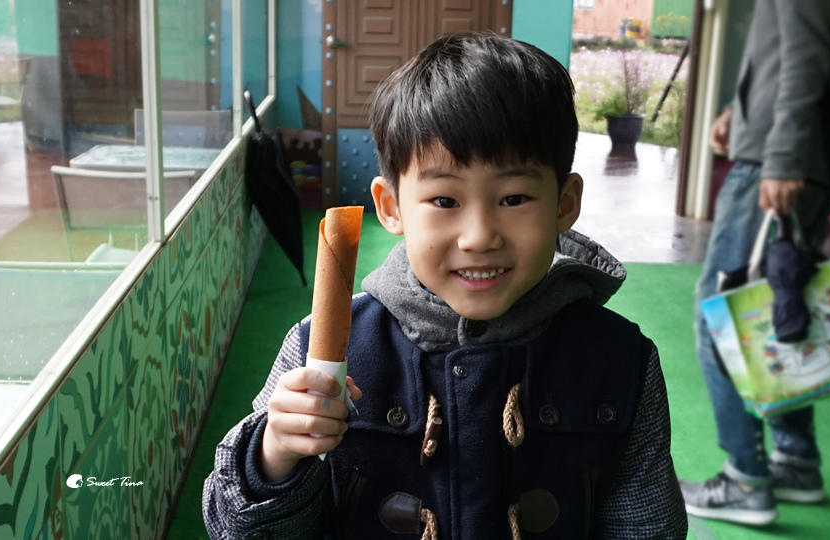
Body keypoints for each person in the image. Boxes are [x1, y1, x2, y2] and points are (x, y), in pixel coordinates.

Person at [203, 32, 687, 539]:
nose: (478, 237)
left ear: (564, 204)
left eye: (514, 198)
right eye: (444, 201)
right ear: (391, 207)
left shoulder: (621, 361)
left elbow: (648, 528)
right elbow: (232, 528)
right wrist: (275, 452)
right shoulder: (319, 350)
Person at [679, 0, 830, 527]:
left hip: (776, 162)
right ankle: (795, 460)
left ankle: (745, 479)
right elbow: (787, 51)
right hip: (794, 154)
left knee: (721, 314)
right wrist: (741, 111)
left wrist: (780, 156)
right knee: (780, 308)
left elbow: (807, 56)